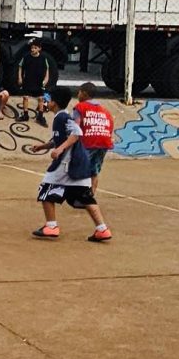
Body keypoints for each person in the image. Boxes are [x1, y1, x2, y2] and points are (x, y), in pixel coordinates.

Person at [31, 87, 112, 242]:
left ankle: (51, 226)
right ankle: (102, 229)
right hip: (79, 163)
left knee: (45, 189)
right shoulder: (60, 117)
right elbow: (60, 139)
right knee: (85, 196)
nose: (46, 103)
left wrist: (60, 149)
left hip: (67, 163)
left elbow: (76, 133)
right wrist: (42, 146)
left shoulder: (62, 117)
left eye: (48, 100)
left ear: (54, 103)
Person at [73, 82, 114, 193]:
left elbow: (75, 127)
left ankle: (80, 194)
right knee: (94, 170)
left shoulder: (80, 107)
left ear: (84, 94)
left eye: (79, 92)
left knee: (79, 168)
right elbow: (110, 126)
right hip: (104, 141)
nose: (78, 95)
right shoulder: (104, 110)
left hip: (89, 141)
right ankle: (91, 194)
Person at [17, 40, 51, 127]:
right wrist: (20, 77)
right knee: (25, 97)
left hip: (38, 81)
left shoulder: (43, 58)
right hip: (28, 80)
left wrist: (46, 79)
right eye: (32, 48)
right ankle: (25, 115)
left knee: (40, 98)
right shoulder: (26, 57)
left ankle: (40, 116)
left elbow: (47, 68)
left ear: (39, 49)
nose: (33, 49)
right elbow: (20, 66)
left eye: (35, 48)